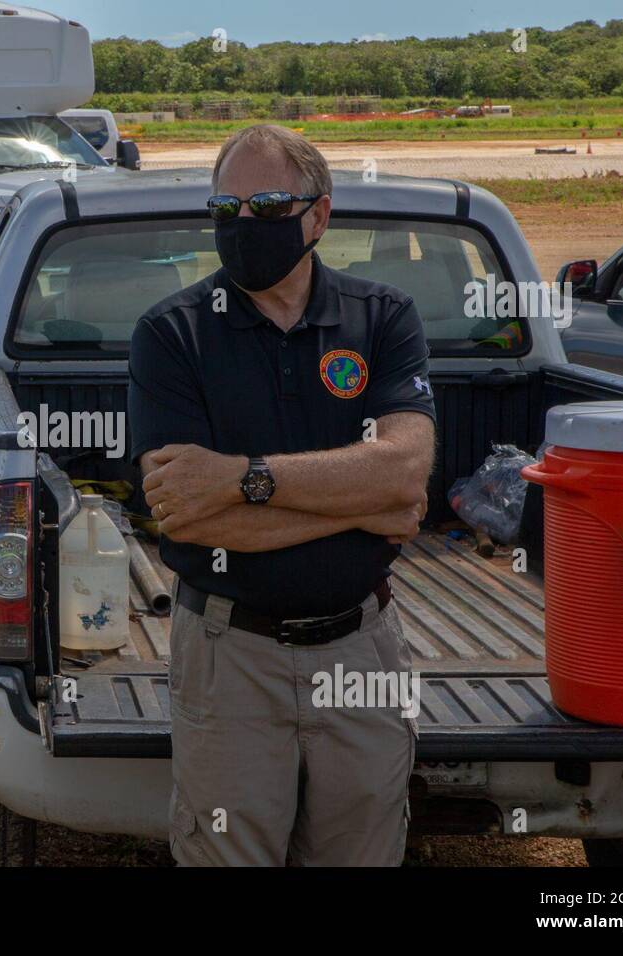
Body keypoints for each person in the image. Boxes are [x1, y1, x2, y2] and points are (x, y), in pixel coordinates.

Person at [128, 125, 436, 867]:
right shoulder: (173, 335)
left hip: (361, 652)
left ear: (318, 215)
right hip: (232, 659)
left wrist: (241, 480)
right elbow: (185, 518)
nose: (242, 226)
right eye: (224, 208)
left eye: (265, 206)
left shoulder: (383, 318)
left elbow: (403, 476)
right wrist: (358, 504)